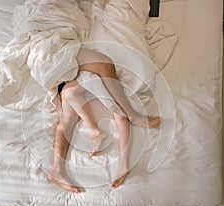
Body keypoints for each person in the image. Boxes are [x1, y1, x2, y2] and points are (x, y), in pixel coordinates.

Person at [47, 49, 161, 193]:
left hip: (79, 85)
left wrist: (123, 163)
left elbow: (119, 114)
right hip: (75, 82)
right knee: (69, 111)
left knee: (75, 105)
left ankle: (111, 151)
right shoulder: (79, 84)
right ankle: (58, 169)